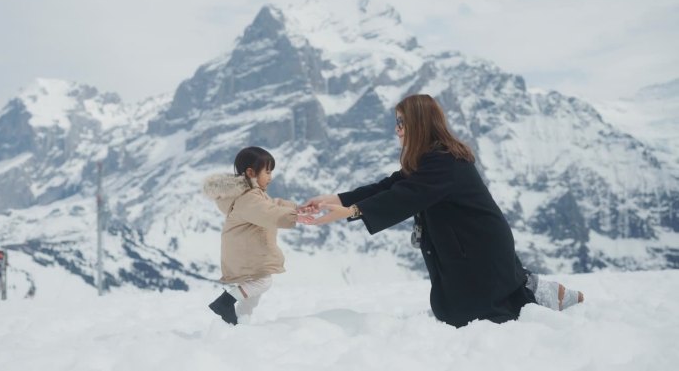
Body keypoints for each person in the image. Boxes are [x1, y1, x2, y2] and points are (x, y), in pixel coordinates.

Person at [302, 94, 583, 328]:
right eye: (396, 122)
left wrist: (353, 210)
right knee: (463, 310)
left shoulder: (443, 161)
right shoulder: (428, 160)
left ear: (419, 123)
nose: (397, 129)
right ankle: (538, 291)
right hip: (469, 246)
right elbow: (388, 187)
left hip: (477, 246)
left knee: (474, 315)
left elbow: (404, 196)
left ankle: (541, 295)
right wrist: (336, 199)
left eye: (402, 122)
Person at [203, 146, 313, 325]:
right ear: (251, 172)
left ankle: (240, 320)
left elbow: (271, 204)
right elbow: (267, 212)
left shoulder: (250, 195)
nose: (270, 177)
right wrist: (295, 217)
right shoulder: (249, 198)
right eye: (267, 172)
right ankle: (225, 302)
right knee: (262, 283)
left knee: (254, 292)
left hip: (246, 250)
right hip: (247, 253)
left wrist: (294, 208)